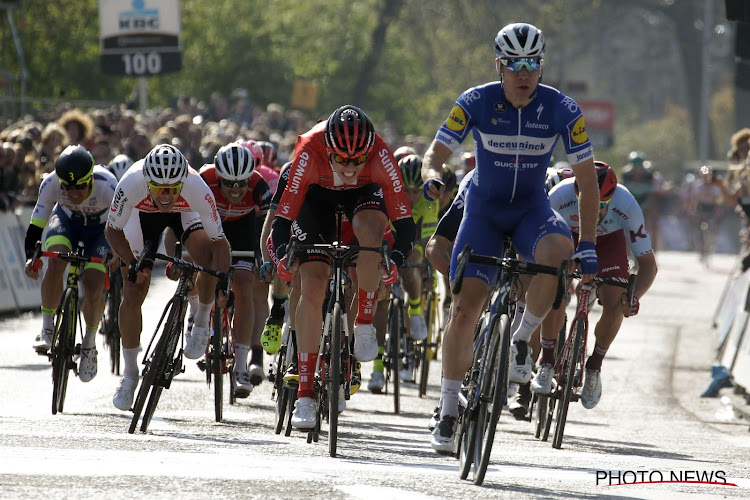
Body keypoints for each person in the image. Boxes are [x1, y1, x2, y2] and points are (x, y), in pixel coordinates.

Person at [421, 22, 599, 453]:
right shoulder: (476, 100)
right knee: (465, 309)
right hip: (483, 211)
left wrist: (590, 242)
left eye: (533, 64)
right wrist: (430, 175)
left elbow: (588, 183)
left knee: (560, 250)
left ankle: (521, 340)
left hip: (530, 212)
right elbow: (435, 154)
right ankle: (446, 411)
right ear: (499, 65)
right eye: (515, 64)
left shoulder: (562, 108)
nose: (524, 73)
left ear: (541, 66)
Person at [269, 105, 416, 430]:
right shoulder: (308, 149)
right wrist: (282, 255)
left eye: (357, 161)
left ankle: (363, 321)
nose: (349, 168)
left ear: (369, 152)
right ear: (327, 150)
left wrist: (396, 260)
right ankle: (305, 393)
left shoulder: (380, 153)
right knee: (313, 283)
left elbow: (405, 225)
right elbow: (281, 221)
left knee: (371, 231)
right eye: (342, 160)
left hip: (362, 199)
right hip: (315, 200)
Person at [106, 144, 231, 411]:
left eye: (172, 188)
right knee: (133, 290)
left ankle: (200, 323)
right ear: (148, 181)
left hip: (184, 214)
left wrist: (222, 279)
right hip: (141, 217)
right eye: (159, 188)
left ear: (182, 182)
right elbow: (113, 231)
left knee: (206, 257)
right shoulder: (131, 184)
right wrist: (132, 264)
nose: (165, 196)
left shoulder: (196, 187)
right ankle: (129, 376)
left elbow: (220, 243)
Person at [540, 162, 658, 407]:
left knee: (617, 301)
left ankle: (594, 366)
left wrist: (634, 298)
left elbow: (648, 264)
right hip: (568, 236)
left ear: (612, 198)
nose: (594, 210)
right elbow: (536, 239)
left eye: (602, 205)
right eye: (587, 203)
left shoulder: (627, 205)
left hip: (608, 243)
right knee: (554, 290)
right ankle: (547, 362)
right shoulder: (559, 196)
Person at [23, 145, 118, 383]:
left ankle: (89, 344)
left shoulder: (108, 185)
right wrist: (31, 257)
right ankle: (47, 327)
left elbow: (122, 228)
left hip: (101, 231)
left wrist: (116, 254)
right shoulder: (52, 182)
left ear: (90, 180)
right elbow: (37, 225)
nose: (74, 193)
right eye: (68, 188)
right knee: (55, 263)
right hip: (67, 223)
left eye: (80, 187)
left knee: (94, 287)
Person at [200, 142, 272, 397]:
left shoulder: (259, 185)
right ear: (218, 177)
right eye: (228, 183)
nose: (235, 189)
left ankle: (241, 366)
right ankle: (199, 324)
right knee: (205, 274)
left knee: (243, 286)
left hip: (243, 232)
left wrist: (265, 256)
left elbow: (269, 224)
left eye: (241, 183)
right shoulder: (203, 180)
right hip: (212, 229)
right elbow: (183, 218)